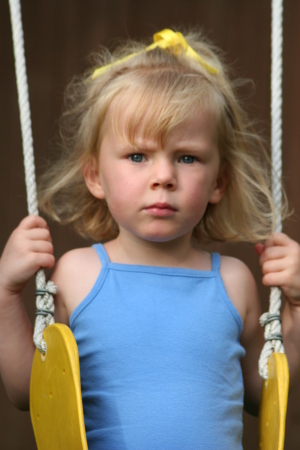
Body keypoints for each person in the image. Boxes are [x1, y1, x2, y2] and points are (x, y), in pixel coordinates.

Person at [0, 28, 300, 449]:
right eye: (138, 156)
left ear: (219, 182)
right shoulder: (78, 274)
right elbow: (29, 393)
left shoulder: (234, 282)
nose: (163, 177)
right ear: (94, 176)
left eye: (187, 157)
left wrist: (296, 309)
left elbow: (262, 394)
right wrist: (7, 294)